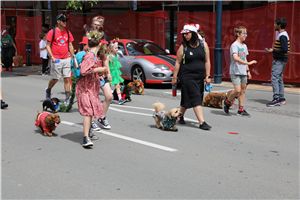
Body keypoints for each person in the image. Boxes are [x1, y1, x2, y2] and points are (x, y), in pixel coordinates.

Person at [172, 23, 212, 130]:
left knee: (187, 98)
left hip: (199, 76)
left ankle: (179, 116)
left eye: (187, 33)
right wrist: (174, 78)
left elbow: (207, 61)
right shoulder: (183, 47)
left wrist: (208, 76)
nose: (185, 35)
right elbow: (178, 63)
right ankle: (202, 122)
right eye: (184, 34)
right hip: (187, 76)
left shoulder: (203, 45)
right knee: (195, 97)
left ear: (194, 33)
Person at [76, 30, 107, 147]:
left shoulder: (93, 56)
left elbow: (90, 70)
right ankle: (85, 138)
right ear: (99, 44)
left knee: (92, 110)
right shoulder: (89, 55)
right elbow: (84, 71)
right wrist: (99, 70)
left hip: (90, 87)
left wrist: (99, 73)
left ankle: (88, 132)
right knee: (88, 112)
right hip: (85, 87)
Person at [222, 26, 257, 117]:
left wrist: (248, 70)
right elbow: (235, 58)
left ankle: (240, 109)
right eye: (244, 33)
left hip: (243, 71)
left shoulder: (244, 46)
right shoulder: (234, 45)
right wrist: (248, 62)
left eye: (246, 33)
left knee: (243, 90)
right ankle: (227, 102)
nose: (246, 35)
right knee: (237, 90)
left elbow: (244, 58)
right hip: (235, 71)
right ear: (238, 34)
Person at [45, 14, 74, 106]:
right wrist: (52, 57)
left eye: (66, 21)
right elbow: (48, 46)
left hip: (66, 58)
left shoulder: (68, 33)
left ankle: (67, 98)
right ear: (58, 21)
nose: (65, 22)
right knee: (55, 79)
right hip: (56, 59)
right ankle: (48, 90)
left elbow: (70, 45)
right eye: (63, 20)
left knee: (66, 78)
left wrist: (72, 56)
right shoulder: (52, 32)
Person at [90, 15, 113, 130]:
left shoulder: (104, 37)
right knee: (93, 97)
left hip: (102, 71)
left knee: (109, 96)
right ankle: (91, 120)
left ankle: (102, 117)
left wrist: (108, 72)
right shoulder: (87, 36)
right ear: (92, 24)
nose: (96, 26)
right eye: (94, 24)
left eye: (98, 25)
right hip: (91, 70)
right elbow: (83, 52)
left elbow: (105, 57)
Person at [265, 18, 290, 107]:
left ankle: (276, 99)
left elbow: (284, 49)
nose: (274, 25)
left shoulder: (282, 35)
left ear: (279, 25)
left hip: (279, 60)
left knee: (274, 78)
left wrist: (273, 51)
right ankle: (281, 98)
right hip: (282, 60)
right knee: (279, 78)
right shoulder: (283, 34)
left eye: (275, 24)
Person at [108, 39, 126, 104]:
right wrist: (108, 73)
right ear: (111, 48)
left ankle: (120, 99)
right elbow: (107, 65)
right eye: (115, 48)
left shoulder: (117, 56)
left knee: (117, 86)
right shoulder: (109, 56)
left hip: (116, 72)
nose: (117, 49)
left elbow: (117, 65)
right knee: (109, 86)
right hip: (110, 72)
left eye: (117, 48)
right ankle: (109, 98)